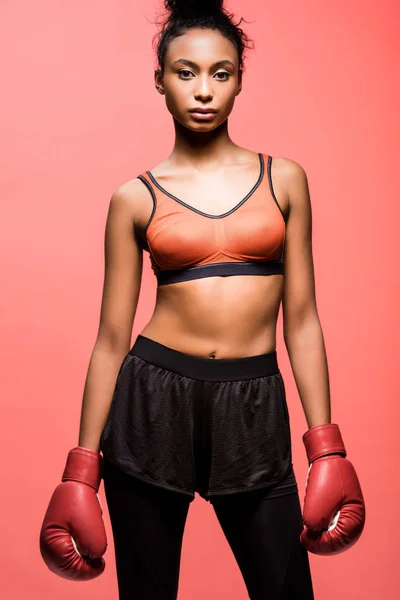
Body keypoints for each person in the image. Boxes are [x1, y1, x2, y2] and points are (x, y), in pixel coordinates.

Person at [39, 1, 366, 598]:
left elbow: (303, 320)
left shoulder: (284, 178)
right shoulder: (133, 198)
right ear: (160, 81)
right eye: (185, 72)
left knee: (287, 587)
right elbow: (112, 338)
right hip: (151, 399)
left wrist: (326, 445)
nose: (203, 90)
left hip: (255, 400)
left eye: (221, 73)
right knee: (148, 591)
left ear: (240, 79)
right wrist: (81, 469)